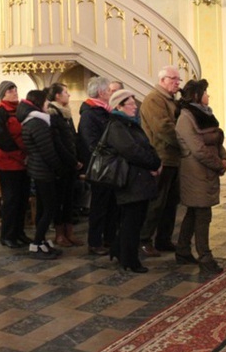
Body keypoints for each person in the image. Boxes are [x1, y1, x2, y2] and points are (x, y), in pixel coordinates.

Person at [174, 79, 226, 276]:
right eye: (205, 92)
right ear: (197, 95)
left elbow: (217, 140)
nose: (208, 96)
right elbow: (198, 149)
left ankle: (182, 249)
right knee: (202, 214)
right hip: (195, 172)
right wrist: (218, 165)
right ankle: (205, 257)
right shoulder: (186, 117)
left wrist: (225, 158)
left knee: (195, 211)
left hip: (207, 171)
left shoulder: (205, 114)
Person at [106, 89, 162, 273]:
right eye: (130, 104)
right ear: (119, 106)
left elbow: (145, 145)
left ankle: (118, 250)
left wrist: (155, 161)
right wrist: (153, 163)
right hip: (130, 181)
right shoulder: (117, 126)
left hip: (138, 179)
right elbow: (131, 151)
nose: (134, 107)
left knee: (134, 220)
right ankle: (130, 261)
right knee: (132, 222)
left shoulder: (129, 124)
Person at [139, 66, 182, 257]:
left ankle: (163, 239)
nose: (177, 83)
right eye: (174, 79)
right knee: (156, 202)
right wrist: (185, 142)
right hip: (161, 157)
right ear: (163, 80)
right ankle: (144, 239)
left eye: (178, 80)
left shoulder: (171, 100)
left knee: (171, 202)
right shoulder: (154, 99)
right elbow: (164, 128)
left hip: (174, 158)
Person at [18, 90, 65, 259]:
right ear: (39, 102)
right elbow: (47, 150)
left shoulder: (33, 120)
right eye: (45, 101)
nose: (48, 104)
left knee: (44, 208)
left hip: (39, 169)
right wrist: (58, 168)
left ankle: (41, 241)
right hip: (43, 170)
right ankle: (36, 243)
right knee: (49, 208)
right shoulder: (37, 123)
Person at [78, 76, 116, 255]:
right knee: (99, 206)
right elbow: (91, 144)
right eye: (109, 90)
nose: (111, 93)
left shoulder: (105, 111)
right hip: (99, 167)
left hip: (109, 166)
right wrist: (110, 154)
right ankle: (94, 242)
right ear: (101, 93)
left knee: (111, 205)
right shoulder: (89, 114)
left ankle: (109, 238)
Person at [0, 81, 31, 249]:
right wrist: (21, 155)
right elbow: (2, 139)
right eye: (10, 90)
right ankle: (7, 235)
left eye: (15, 89)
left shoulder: (21, 109)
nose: (14, 92)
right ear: (3, 94)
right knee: (11, 200)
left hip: (24, 162)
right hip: (8, 162)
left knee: (22, 199)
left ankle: (19, 232)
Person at [46, 83, 84, 247]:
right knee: (59, 200)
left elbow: (72, 138)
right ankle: (60, 234)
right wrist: (72, 160)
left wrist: (77, 159)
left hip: (70, 164)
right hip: (61, 166)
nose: (69, 95)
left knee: (69, 200)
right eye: (66, 93)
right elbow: (58, 143)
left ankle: (70, 233)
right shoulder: (53, 114)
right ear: (57, 96)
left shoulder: (66, 113)